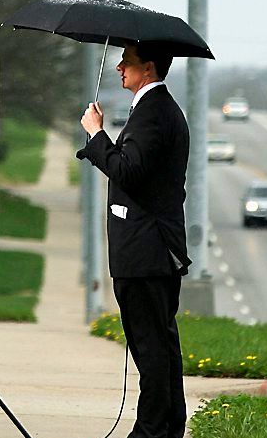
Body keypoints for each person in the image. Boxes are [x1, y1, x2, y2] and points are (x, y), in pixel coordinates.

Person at [76, 42, 191, 438]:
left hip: (147, 252)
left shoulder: (155, 112)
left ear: (150, 68)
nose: (120, 67)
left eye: (129, 61)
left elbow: (128, 171)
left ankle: (152, 431)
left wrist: (95, 136)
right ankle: (168, 424)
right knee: (159, 345)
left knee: (151, 348)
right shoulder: (154, 109)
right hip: (149, 251)